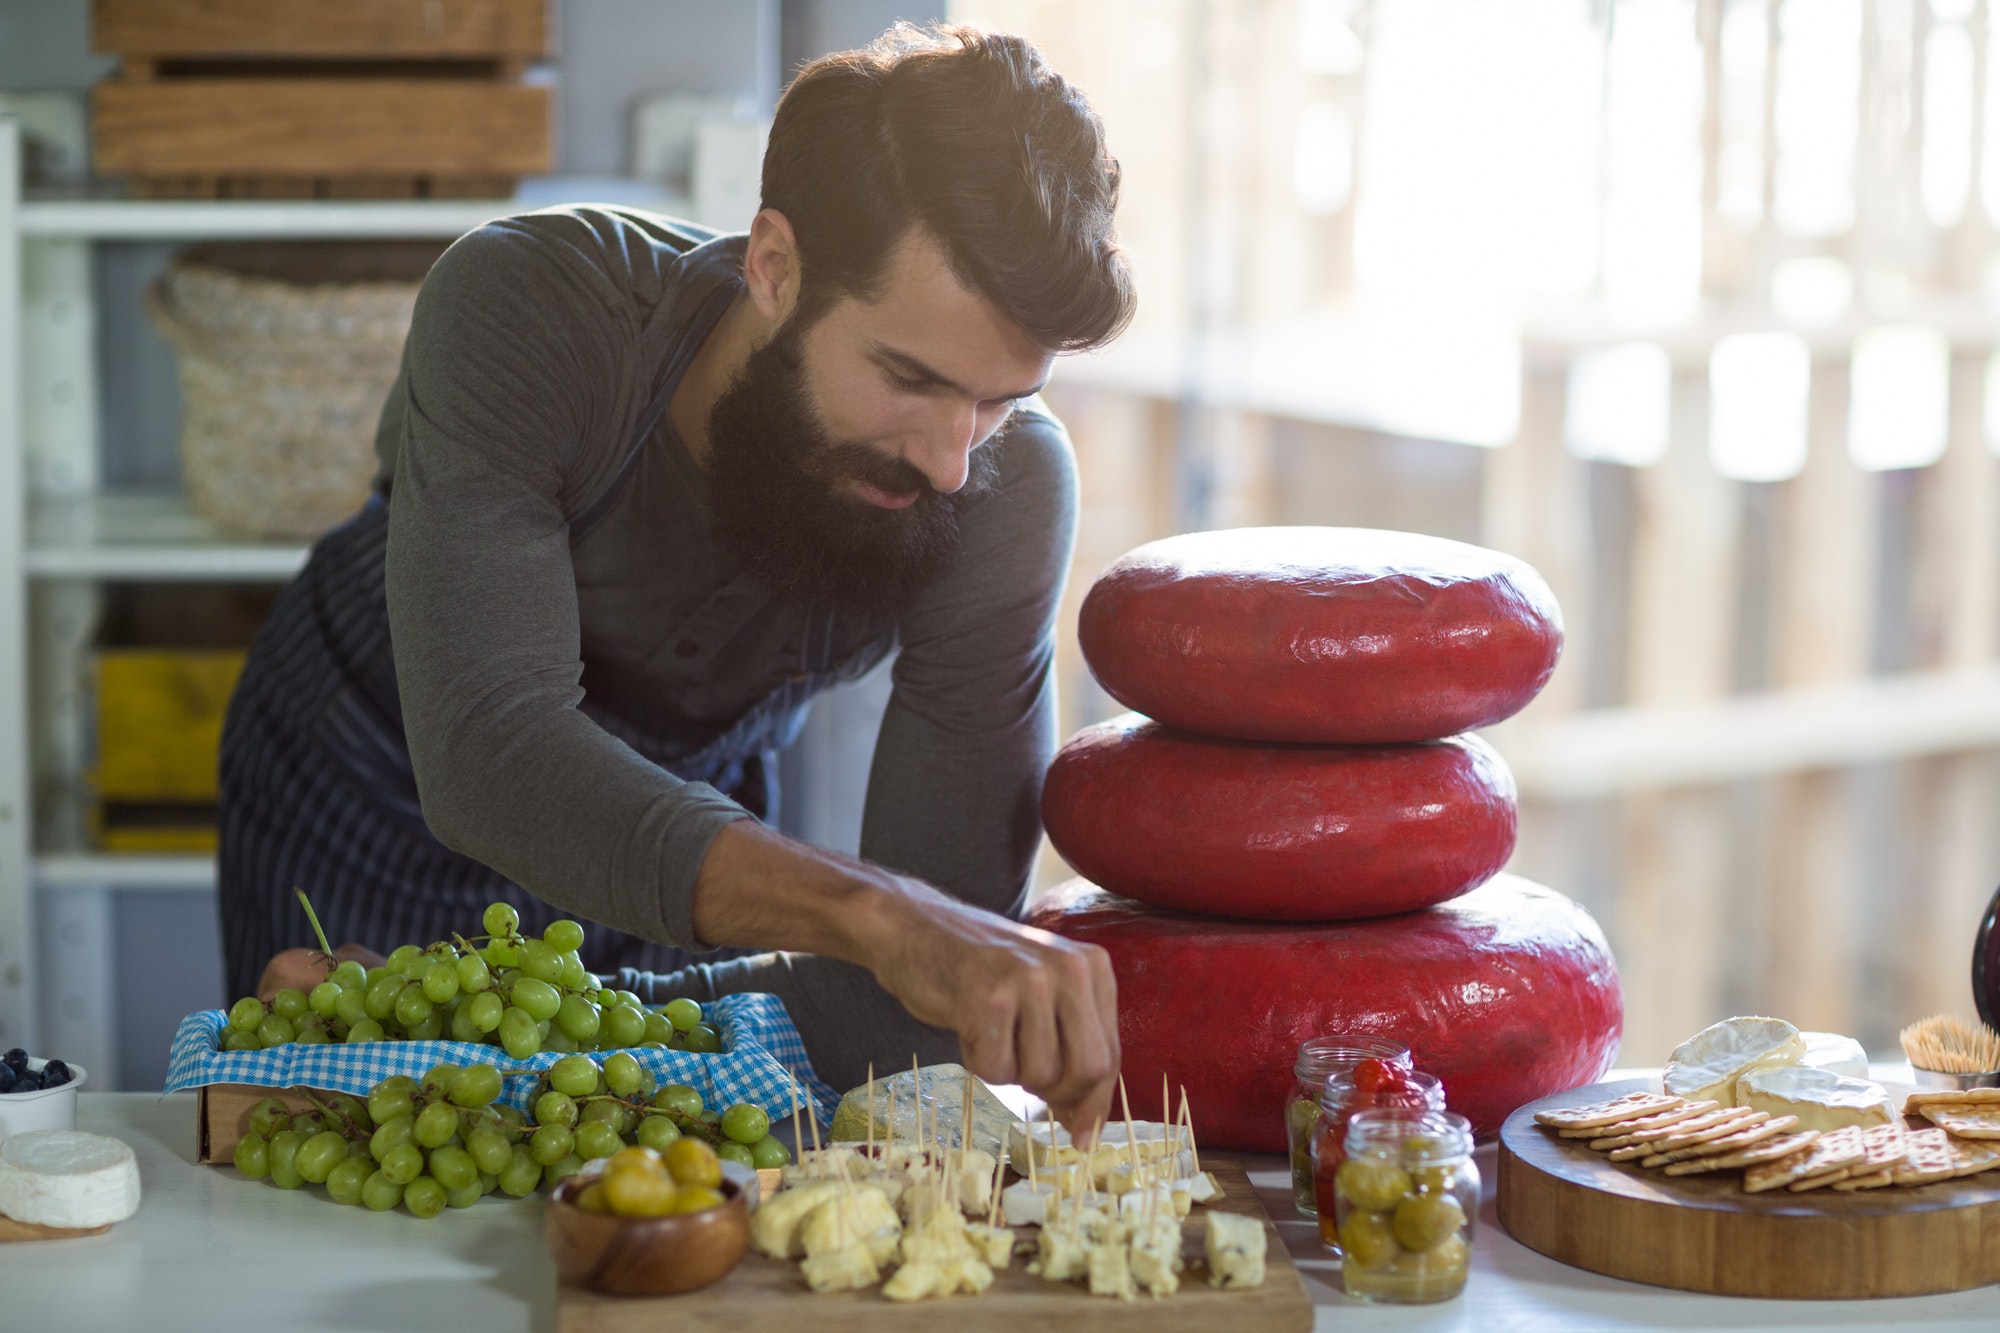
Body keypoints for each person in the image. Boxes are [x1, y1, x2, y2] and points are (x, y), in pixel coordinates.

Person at [220, 23, 1135, 1138]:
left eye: (998, 400)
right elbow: (489, 752)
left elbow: (897, 1010)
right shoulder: (527, 305)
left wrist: (504, 1031)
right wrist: (881, 916)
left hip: (702, 823)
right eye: (909, 377)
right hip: (375, 764)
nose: (954, 460)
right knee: (339, 1162)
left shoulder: (1010, 485)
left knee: (630, 1164)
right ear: (773, 266)